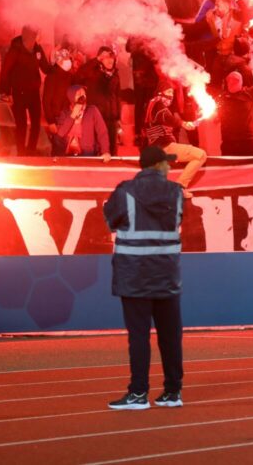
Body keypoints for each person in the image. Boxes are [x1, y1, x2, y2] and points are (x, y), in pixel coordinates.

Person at [103, 145, 185, 410]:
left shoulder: (125, 190)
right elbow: (178, 221)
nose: (170, 167)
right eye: (167, 163)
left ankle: (138, 394)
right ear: (158, 165)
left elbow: (111, 220)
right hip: (166, 275)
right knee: (170, 336)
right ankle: (173, 392)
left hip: (134, 276)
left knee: (139, 336)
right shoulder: (176, 193)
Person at [143, 83, 207, 196]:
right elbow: (166, 117)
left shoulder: (154, 104)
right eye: (168, 92)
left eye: (172, 92)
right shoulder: (157, 103)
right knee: (201, 155)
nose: (171, 95)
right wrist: (183, 123)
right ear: (160, 92)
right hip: (164, 146)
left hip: (160, 148)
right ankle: (180, 186)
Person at [0, 26, 50, 156]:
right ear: (31, 36)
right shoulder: (16, 49)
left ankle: (31, 150)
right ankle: (21, 152)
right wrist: (5, 92)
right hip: (19, 91)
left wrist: (58, 67)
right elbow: (5, 71)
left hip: (33, 92)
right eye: (38, 34)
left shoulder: (37, 49)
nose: (40, 37)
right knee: (21, 124)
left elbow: (45, 67)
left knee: (36, 123)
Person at [54, 85, 111, 158]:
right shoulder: (65, 113)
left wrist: (105, 151)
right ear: (71, 97)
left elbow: (102, 132)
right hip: (67, 154)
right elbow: (60, 134)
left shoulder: (92, 110)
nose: (82, 96)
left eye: (83, 93)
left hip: (87, 153)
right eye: (78, 94)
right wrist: (73, 115)